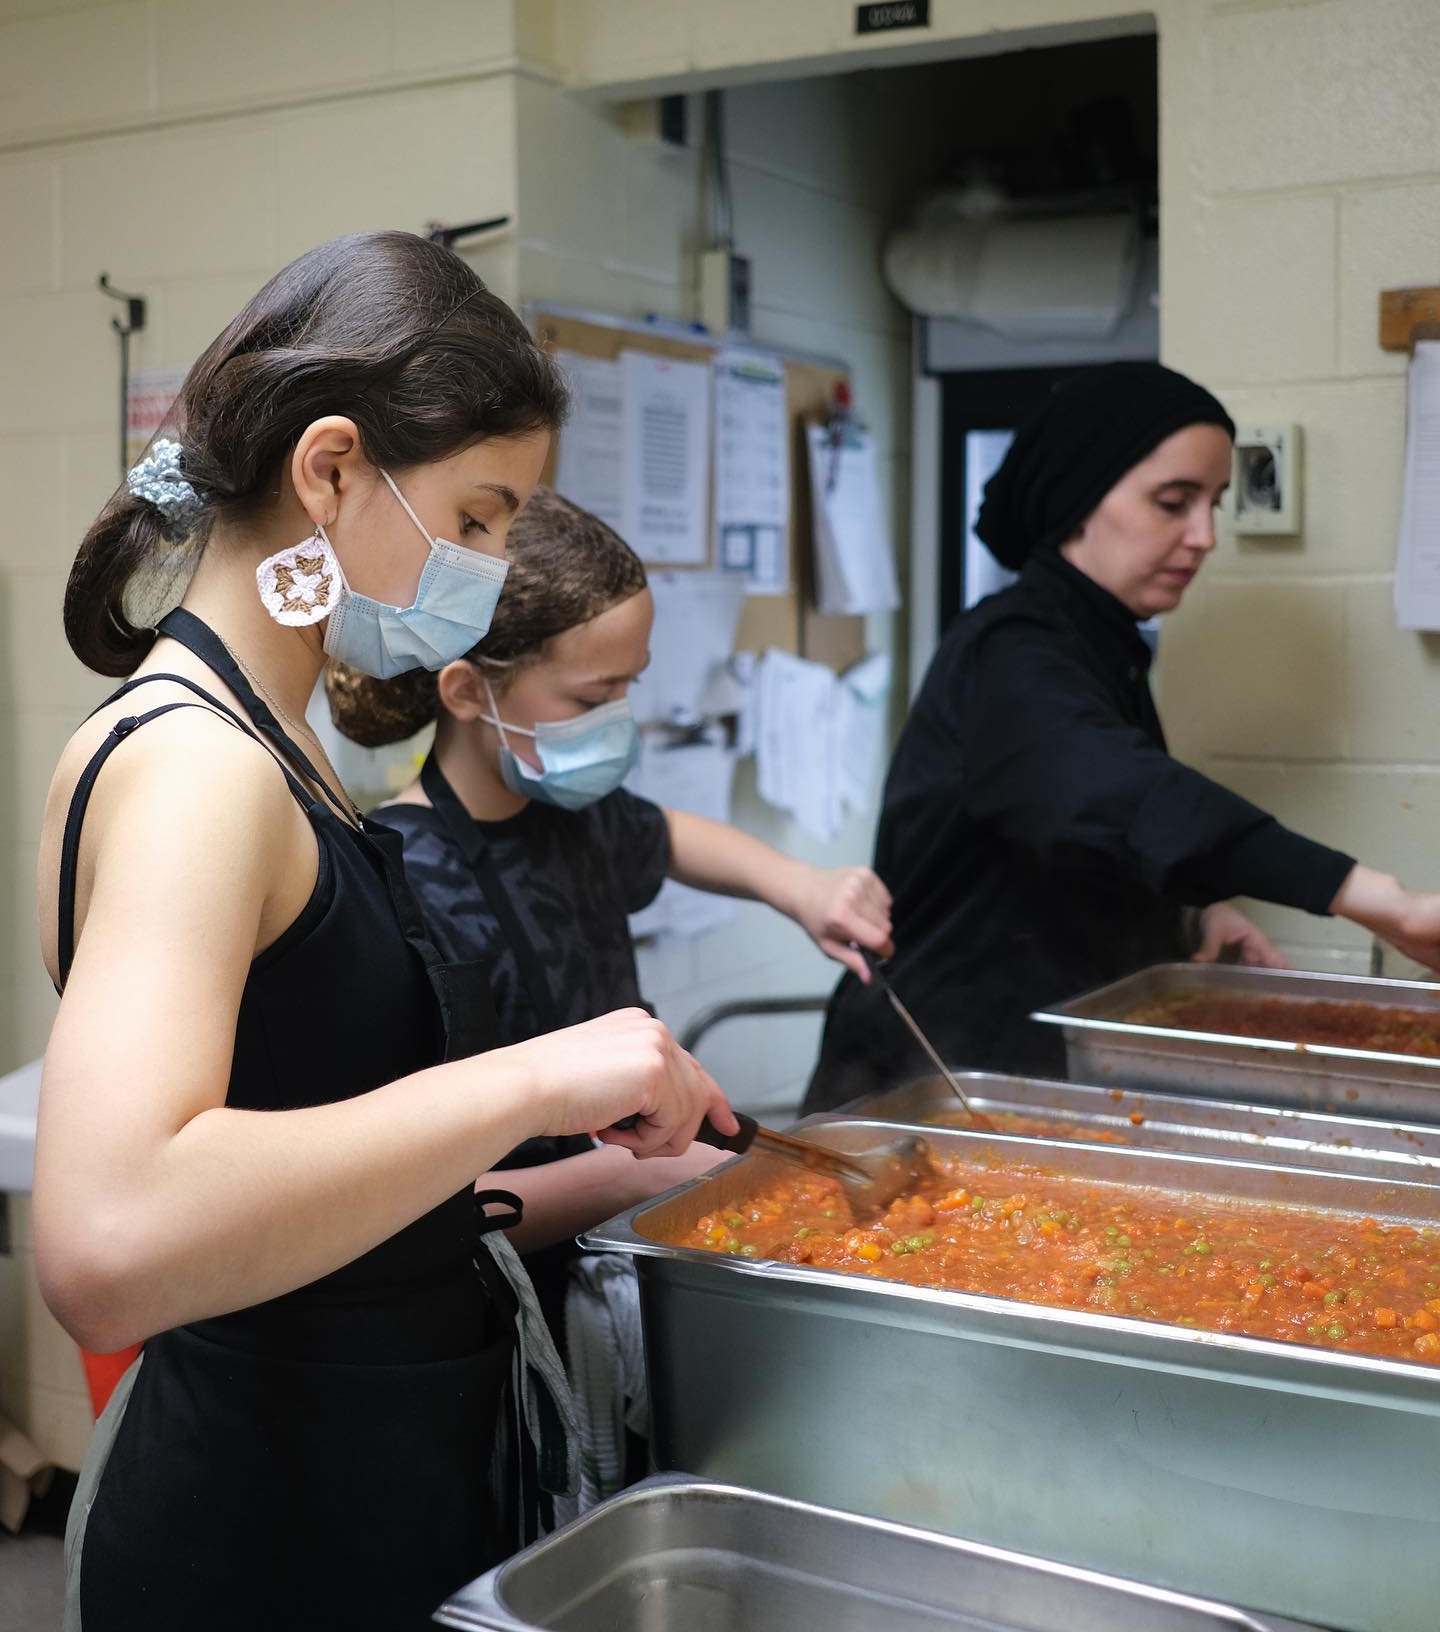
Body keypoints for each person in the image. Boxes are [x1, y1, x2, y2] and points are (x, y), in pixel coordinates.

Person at [34, 232, 736, 1632]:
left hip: (363, 1486)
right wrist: (536, 1081)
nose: (486, 566)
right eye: (475, 520)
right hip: (263, 1538)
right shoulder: (199, 768)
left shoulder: (274, 745)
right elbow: (108, 1244)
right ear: (333, 470)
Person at [325, 486, 895, 1329]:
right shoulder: (398, 880)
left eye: (628, 689)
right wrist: (624, 1181)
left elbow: (669, 836)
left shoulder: (576, 815)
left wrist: (801, 889)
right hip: (484, 1321)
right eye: (592, 701)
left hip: (615, 1273)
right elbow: (393, 1210)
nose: (617, 721)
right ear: (465, 692)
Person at [801, 360, 1440, 1112]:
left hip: (1038, 1067)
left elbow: (1071, 842)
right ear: (1077, 499)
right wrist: (1380, 900)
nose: (1204, 536)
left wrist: (1186, 911)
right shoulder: (1011, 651)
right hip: (931, 1083)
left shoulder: (1099, 646)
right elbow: (1125, 799)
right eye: (1173, 503)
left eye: (1213, 504)